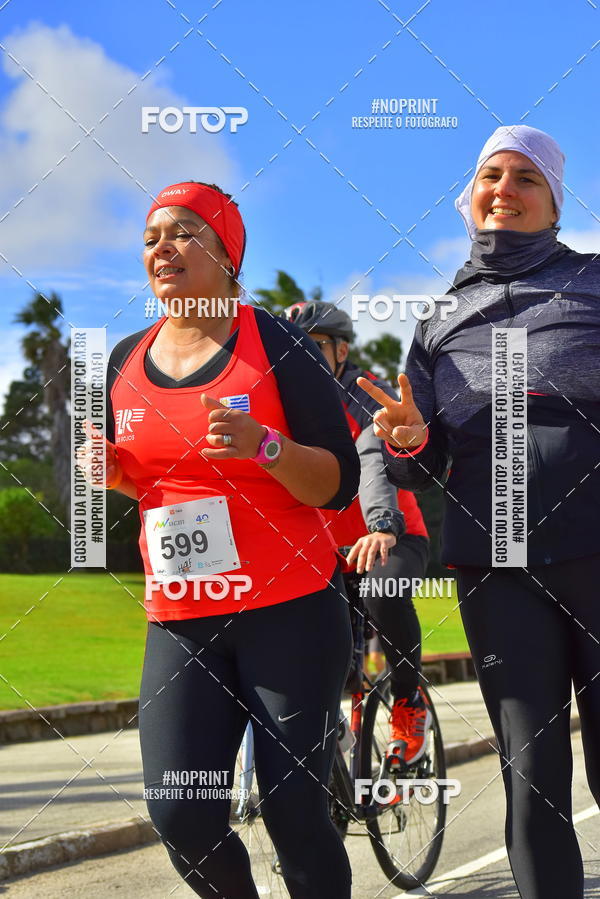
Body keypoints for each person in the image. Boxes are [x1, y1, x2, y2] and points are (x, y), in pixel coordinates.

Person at [77, 181, 360, 898]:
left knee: (295, 810)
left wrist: (267, 447)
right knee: (180, 813)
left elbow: (339, 482)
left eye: (183, 231)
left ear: (227, 253)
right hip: (184, 620)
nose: (161, 247)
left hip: (290, 609)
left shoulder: (276, 341)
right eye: (150, 237)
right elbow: (163, 488)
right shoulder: (123, 361)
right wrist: (116, 473)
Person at [359, 125, 600, 899]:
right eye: (491, 175)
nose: (505, 188)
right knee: (531, 773)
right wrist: (408, 439)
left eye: (526, 177)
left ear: (554, 200)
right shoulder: (437, 322)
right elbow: (418, 462)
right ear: (470, 198)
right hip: (498, 570)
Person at [285, 300, 432, 767]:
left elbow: (373, 457)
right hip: (328, 552)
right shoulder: (284, 404)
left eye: (313, 347)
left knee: (382, 588)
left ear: (341, 351)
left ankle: (410, 701)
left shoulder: (364, 393)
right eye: (290, 348)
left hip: (392, 538)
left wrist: (382, 526)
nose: (299, 357)